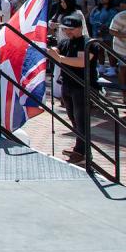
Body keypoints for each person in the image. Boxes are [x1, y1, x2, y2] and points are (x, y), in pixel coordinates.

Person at [49, 12, 91, 161]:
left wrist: (59, 58)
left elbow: (81, 62)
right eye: (65, 29)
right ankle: (80, 148)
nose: (68, 32)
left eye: (71, 29)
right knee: (73, 118)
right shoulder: (65, 42)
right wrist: (51, 50)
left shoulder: (87, 42)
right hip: (67, 84)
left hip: (82, 86)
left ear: (80, 28)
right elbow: (57, 50)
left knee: (81, 119)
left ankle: (82, 151)